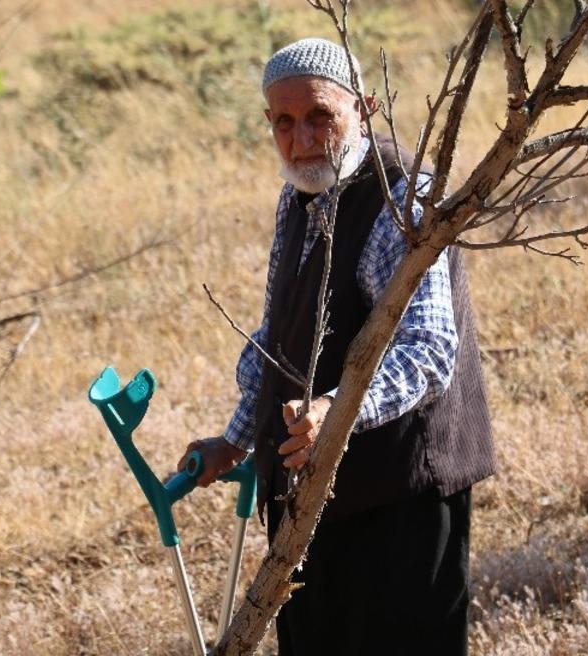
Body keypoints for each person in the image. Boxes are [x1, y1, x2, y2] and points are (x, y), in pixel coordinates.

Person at [179, 37, 494, 655]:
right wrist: (238, 440)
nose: (302, 140)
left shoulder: (404, 200)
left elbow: (428, 348)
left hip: (401, 494)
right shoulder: (300, 192)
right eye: (284, 122)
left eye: (320, 116)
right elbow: (281, 333)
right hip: (310, 497)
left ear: (364, 109)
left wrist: (336, 411)